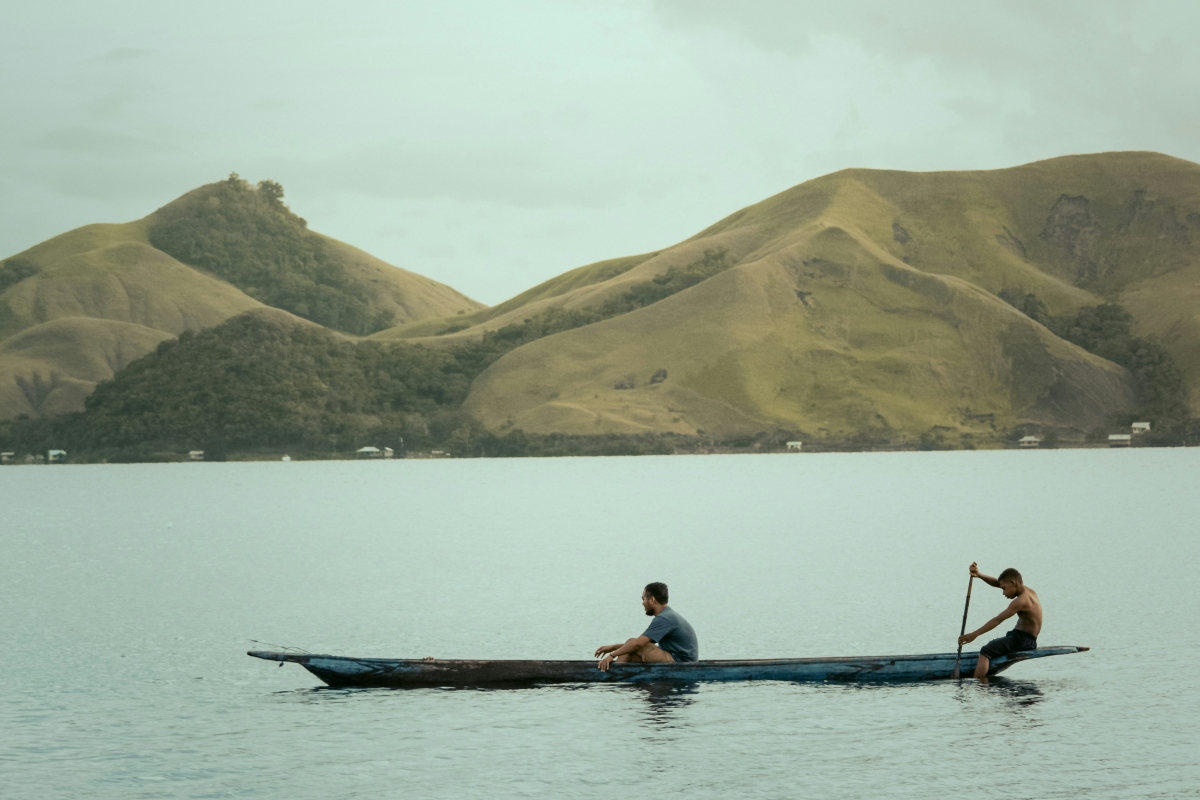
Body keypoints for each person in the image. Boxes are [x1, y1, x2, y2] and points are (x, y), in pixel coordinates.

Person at [957, 562, 1043, 680]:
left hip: (1022, 641)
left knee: (986, 651)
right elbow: (997, 583)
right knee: (995, 646)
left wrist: (974, 634)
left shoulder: (1021, 601)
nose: (1003, 592)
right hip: (1025, 639)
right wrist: (979, 575)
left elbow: (998, 619)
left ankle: (980, 685)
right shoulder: (1029, 592)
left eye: (1004, 589)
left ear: (1013, 583)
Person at [594, 582, 698, 671]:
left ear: (652, 600)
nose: (642, 603)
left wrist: (611, 655)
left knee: (632, 643)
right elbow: (642, 644)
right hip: (676, 658)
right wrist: (612, 647)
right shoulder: (667, 615)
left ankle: (615, 674)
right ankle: (619, 675)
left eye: (643, 598)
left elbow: (637, 644)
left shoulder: (664, 618)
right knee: (630, 651)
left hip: (681, 662)